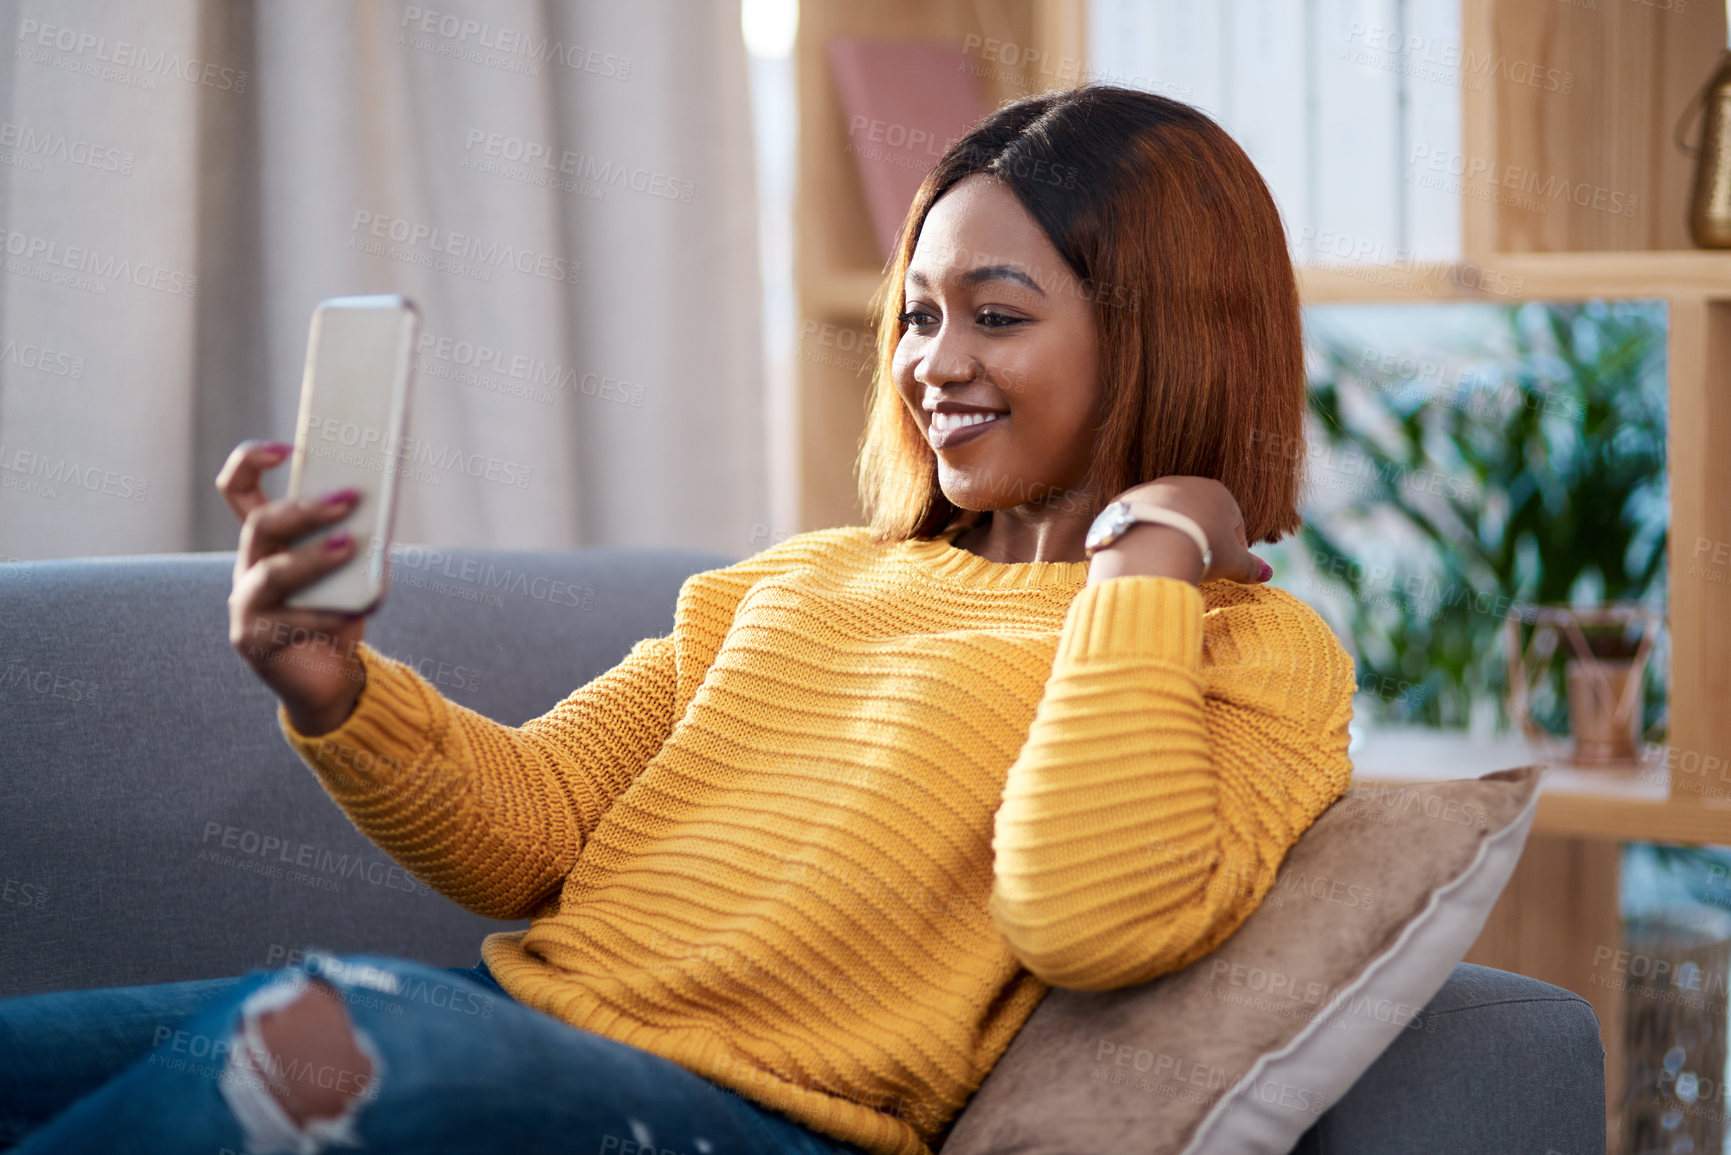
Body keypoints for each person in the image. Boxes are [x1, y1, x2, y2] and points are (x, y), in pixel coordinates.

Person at [0, 84, 1354, 1155]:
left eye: (995, 317)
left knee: (332, 1026)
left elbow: (1091, 920)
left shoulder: (1244, 652)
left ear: (1166, 334)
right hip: (504, 1026)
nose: (934, 366)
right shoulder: (800, 578)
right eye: (920, 314)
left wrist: (1149, 549)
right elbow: (533, 827)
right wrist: (332, 685)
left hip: (751, 1118)